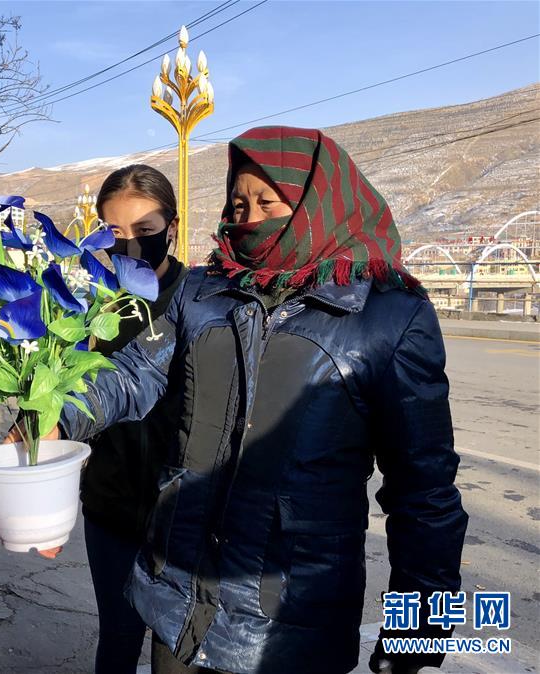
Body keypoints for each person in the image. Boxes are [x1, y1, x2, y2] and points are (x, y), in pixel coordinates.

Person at [25, 127, 468, 674]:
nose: (250, 217)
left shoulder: (389, 316)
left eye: (267, 202)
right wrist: (55, 414)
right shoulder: (204, 293)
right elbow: (133, 373)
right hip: (178, 605)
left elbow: (423, 488)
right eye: (239, 203)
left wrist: (419, 627)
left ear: (313, 203)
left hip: (292, 623)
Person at [78, 165, 188, 674]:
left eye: (145, 232)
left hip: (182, 514)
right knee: (118, 638)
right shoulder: (93, 308)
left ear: (173, 226)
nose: (131, 247)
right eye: (114, 233)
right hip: (111, 504)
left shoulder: (201, 301)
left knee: (176, 648)